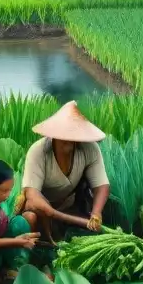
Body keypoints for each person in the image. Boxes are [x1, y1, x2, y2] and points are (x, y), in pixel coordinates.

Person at [17, 101, 110, 243]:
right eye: (65, 135)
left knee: (85, 237)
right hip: (41, 209)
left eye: (73, 134)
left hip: (70, 204)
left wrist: (96, 214)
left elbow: (101, 185)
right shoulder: (38, 151)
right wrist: (53, 213)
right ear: (54, 135)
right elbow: (33, 196)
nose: (70, 140)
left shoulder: (90, 148)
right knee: (30, 218)